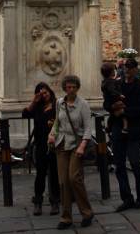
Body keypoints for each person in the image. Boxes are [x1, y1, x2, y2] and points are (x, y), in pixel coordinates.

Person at [48, 74, 94, 229]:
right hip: (61, 144)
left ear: (77, 88)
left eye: (74, 87)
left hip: (76, 144)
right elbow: (57, 121)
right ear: (64, 88)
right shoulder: (60, 102)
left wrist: (82, 145)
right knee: (63, 182)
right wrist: (52, 134)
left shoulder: (83, 105)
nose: (71, 90)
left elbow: (88, 127)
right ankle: (66, 217)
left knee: (74, 178)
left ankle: (86, 212)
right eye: (68, 87)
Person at [109, 59, 140, 212]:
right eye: (125, 67)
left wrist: (124, 112)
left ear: (135, 69)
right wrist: (112, 108)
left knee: (134, 162)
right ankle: (126, 198)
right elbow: (108, 101)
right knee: (119, 165)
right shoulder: (118, 85)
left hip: (133, 130)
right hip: (118, 129)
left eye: (130, 67)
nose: (127, 70)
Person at [22, 82, 60, 216]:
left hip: (54, 145)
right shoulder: (38, 107)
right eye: (41, 93)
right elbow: (25, 114)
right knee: (40, 174)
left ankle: (55, 202)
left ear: (50, 91)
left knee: (54, 174)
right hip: (40, 144)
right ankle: (38, 202)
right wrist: (34, 101)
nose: (44, 95)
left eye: (46, 92)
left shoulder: (57, 105)